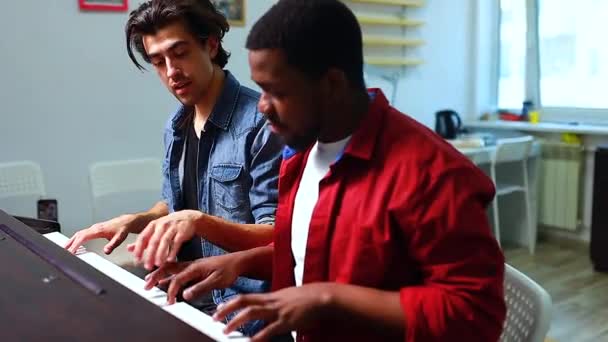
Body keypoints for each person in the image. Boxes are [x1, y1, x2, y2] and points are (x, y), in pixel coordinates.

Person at [137, 0, 507, 341]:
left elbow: (476, 313)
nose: (261, 107)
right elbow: (312, 253)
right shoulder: (302, 150)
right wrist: (240, 263)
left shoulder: (433, 174)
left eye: (275, 91)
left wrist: (328, 298)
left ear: (331, 84)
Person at [64, 0, 282, 335]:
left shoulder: (261, 124)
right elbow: (175, 205)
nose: (171, 72)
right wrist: (136, 220)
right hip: (183, 296)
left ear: (210, 45)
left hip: (241, 316)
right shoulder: (177, 124)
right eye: (158, 62)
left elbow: (277, 239)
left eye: (179, 53)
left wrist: (199, 222)